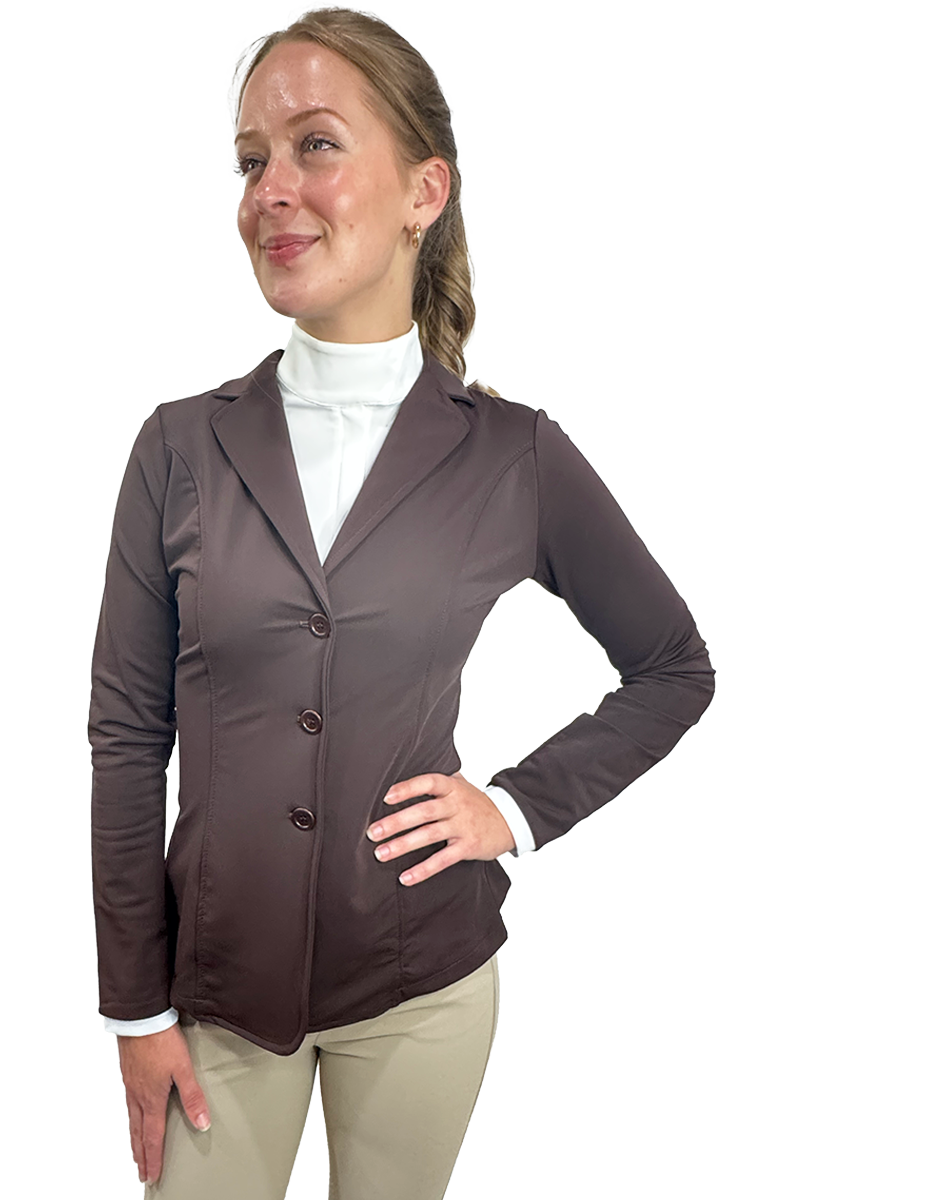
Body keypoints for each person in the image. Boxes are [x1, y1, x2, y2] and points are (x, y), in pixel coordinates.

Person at [88, 8, 715, 1197]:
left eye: (315, 145)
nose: (272, 190)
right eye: (251, 160)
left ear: (426, 191)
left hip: (424, 982)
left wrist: (515, 809)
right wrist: (137, 1008)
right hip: (216, 993)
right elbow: (126, 740)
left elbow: (674, 667)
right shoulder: (178, 449)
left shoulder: (514, 457)